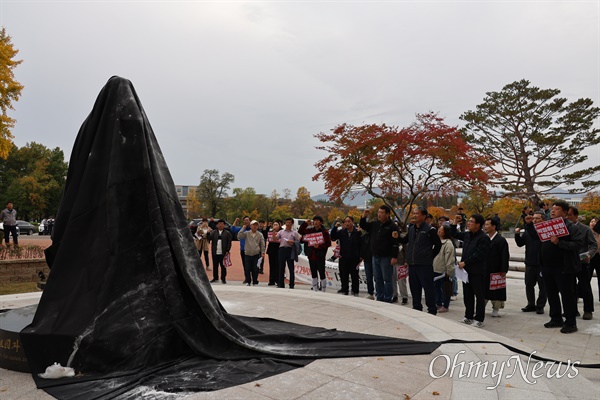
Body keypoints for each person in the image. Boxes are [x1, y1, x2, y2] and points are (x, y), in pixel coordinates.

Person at [526, 201, 583, 334]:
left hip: (563, 267)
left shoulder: (571, 227)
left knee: (567, 295)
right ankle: (556, 318)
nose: (553, 211)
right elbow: (536, 237)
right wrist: (529, 224)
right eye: (552, 209)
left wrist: (559, 242)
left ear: (564, 213)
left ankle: (570, 322)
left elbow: (577, 244)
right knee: (551, 294)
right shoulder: (546, 225)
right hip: (547, 266)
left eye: (557, 209)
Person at [398, 207, 442, 315]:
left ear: (423, 216)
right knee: (414, 288)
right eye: (414, 213)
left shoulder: (429, 229)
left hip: (424, 264)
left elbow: (438, 244)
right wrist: (396, 236)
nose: (415, 215)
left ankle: (431, 310)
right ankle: (417, 308)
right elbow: (404, 240)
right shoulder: (412, 228)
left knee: (428, 288)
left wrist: (429, 256)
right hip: (412, 264)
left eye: (417, 213)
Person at [450, 213, 490, 328]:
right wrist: (454, 223)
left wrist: (465, 262)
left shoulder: (483, 238)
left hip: (477, 271)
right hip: (466, 271)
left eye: (472, 222)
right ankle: (468, 316)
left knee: (479, 295)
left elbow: (479, 254)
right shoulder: (467, 235)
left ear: (478, 225)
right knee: (468, 295)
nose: (469, 223)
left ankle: (479, 318)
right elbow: (454, 234)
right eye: (469, 221)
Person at [359, 205, 400, 303]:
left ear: (387, 214)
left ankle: (388, 298)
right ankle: (380, 297)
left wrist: (394, 256)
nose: (379, 214)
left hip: (386, 256)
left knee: (387, 279)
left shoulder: (392, 226)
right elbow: (364, 226)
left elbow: (395, 243)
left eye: (382, 213)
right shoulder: (375, 224)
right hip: (375, 256)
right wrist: (364, 216)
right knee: (378, 278)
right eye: (378, 212)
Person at [566, 206, 598, 320]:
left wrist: (589, 254)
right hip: (568, 262)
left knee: (585, 286)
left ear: (576, 215)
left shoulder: (585, 229)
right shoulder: (564, 229)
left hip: (582, 262)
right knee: (570, 287)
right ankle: (572, 310)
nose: (567, 217)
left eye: (569, 215)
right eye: (566, 215)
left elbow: (594, 245)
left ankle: (588, 310)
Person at [514, 211, 547, 314]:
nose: (535, 220)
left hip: (542, 263)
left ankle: (540, 305)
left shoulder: (545, 230)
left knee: (543, 287)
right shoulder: (528, 231)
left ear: (543, 220)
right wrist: (517, 235)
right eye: (534, 218)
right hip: (530, 262)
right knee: (529, 284)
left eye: (537, 218)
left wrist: (528, 225)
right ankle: (531, 304)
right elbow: (520, 244)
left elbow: (535, 235)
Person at [483, 217, 510, 318]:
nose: (485, 227)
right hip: (485, 268)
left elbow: (504, 255)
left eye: (487, 225)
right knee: (484, 289)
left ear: (493, 226)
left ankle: (496, 308)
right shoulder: (484, 238)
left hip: (496, 269)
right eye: (485, 225)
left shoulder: (501, 240)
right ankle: (481, 306)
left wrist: (503, 269)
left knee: (497, 290)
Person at [330, 216, 362, 296]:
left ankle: (355, 290)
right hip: (343, 257)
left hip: (354, 258)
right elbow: (333, 237)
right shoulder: (342, 232)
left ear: (352, 222)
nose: (347, 223)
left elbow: (361, 244)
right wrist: (335, 227)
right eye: (345, 222)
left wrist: (361, 256)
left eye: (349, 221)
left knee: (354, 275)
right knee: (344, 274)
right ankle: (344, 289)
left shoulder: (357, 232)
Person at [299, 216, 332, 293]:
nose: (315, 222)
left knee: (321, 272)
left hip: (320, 255)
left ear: (321, 222)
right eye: (314, 221)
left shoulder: (324, 232)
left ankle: (323, 289)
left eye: (317, 220)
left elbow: (328, 243)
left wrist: (319, 246)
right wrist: (305, 223)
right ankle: (314, 289)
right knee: (313, 273)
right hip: (311, 255)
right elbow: (300, 231)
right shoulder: (310, 230)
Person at [433, 224, 455, 312]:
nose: (439, 231)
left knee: (445, 288)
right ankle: (438, 303)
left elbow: (450, 258)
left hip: (443, 270)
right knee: (436, 288)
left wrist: (449, 270)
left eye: (441, 230)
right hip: (435, 268)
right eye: (439, 229)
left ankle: (445, 305)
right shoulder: (436, 241)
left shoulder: (448, 243)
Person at [237, 220, 266, 286]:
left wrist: (263, 252)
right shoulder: (247, 233)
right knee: (247, 268)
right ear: (250, 226)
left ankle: (255, 281)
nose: (255, 226)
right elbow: (239, 236)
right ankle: (248, 281)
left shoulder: (260, 234)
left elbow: (262, 244)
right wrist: (243, 228)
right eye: (253, 225)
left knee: (255, 269)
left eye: (256, 225)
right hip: (247, 253)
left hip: (256, 254)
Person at [276, 217, 301, 289]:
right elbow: (275, 238)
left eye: (289, 222)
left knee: (291, 267)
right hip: (282, 249)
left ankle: (291, 284)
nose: (288, 224)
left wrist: (293, 242)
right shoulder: (281, 232)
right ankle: (281, 284)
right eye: (286, 222)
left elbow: (299, 241)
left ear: (292, 224)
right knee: (281, 267)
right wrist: (274, 231)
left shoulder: (294, 233)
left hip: (290, 250)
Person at [208, 219, 232, 284]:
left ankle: (223, 278)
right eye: (219, 224)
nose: (220, 225)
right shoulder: (214, 232)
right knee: (215, 266)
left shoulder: (227, 233)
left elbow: (229, 242)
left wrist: (227, 250)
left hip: (223, 252)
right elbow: (209, 239)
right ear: (217, 225)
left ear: (224, 225)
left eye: (222, 224)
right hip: (215, 252)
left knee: (223, 266)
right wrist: (208, 233)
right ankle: (215, 278)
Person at [230, 216, 251, 282]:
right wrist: (235, 221)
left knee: (251, 264)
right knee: (245, 264)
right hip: (243, 249)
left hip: (251, 249)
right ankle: (247, 278)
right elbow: (233, 229)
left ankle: (253, 277)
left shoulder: (252, 229)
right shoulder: (241, 229)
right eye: (245, 220)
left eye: (247, 220)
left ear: (250, 221)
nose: (246, 221)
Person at [359, 226, 375, 300]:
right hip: (367, 259)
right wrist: (362, 256)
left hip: (375, 258)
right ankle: (370, 292)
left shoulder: (375, 236)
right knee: (369, 277)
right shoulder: (364, 237)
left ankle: (379, 292)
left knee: (378, 277)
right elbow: (362, 247)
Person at [266, 220, 282, 286]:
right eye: (274, 224)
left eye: (276, 225)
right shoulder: (270, 231)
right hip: (271, 250)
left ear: (279, 225)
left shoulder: (282, 232)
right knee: (271, 265)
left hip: (278, 250)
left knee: (278, 265)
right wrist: (273, 231)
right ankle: (271, 280)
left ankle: (278, 280)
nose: (275, 226)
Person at [589, 217, 600, 297]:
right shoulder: (586, 232)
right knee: (585, 278)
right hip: (589, 257)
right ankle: (579, 294)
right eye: (591, 221)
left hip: (598, 257)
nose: (593, 223)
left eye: (595, 222)